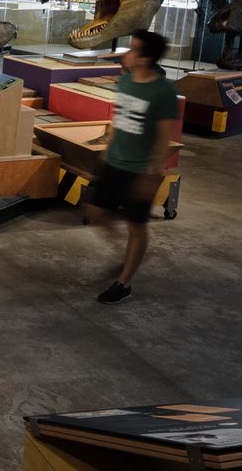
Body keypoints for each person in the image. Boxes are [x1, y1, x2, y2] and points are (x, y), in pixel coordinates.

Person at [83, 29, 180, 304]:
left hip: (140, 169)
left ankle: (124, 283)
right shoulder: (125, 83)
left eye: (133, 49)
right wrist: (105, 153)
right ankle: (129, 249)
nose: (127, 53)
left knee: (137, 227)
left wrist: (151, 174)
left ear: (145, 59)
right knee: (97, 213)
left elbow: (163, 138)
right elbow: (118, 120)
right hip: (114, 162)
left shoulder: (163, 92)